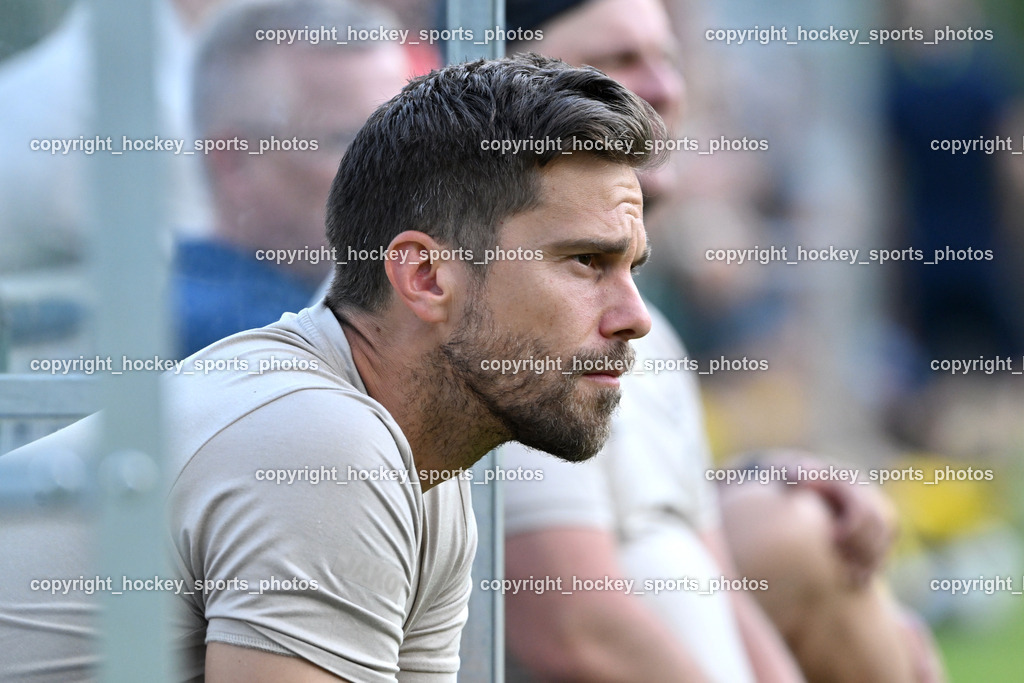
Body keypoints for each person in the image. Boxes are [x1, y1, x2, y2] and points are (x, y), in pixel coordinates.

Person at [0, 32, 667, 683]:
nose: (634, 316)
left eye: (630, 267)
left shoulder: (422, 468)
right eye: (586, 261)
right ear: (426, 276)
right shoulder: (322, 442)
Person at [498, 1, 913, 681]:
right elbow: (573, 628)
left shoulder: (646, 329)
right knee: (792, 532)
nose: (665, 88)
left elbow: (713, 580)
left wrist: (763, 475)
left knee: (804, 526)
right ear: (502, 85)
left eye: (668, 59)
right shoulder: (501, 309)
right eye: (617, 62)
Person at [173, 0, 410, 355]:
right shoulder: (241, 340)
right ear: (234, 163)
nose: (398, 167)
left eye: (406, 136)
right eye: (348, 141)